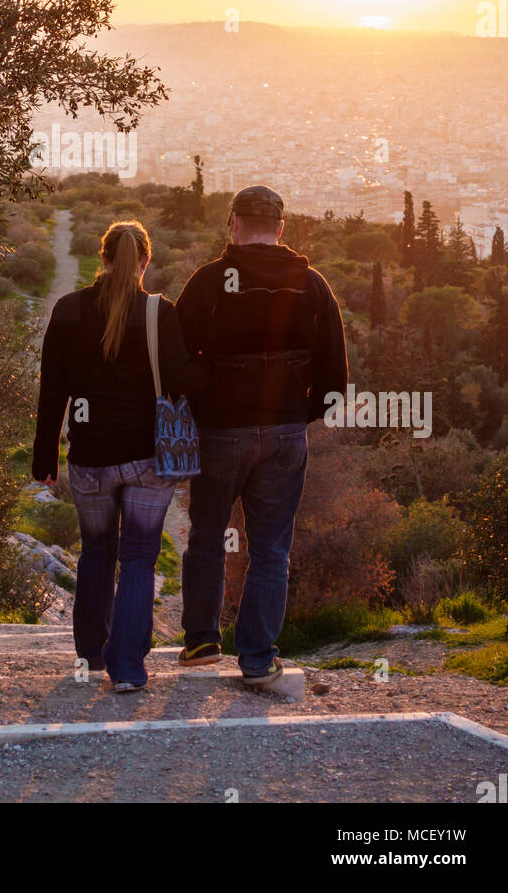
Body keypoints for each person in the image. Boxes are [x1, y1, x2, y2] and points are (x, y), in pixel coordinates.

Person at [175, 185, 348, 686]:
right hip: (285, 433)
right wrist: (299, 414)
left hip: (220, 433)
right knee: (271, 547)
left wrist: (207, 399)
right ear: (281, 227)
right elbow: (336, 376)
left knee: (207, 536)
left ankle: (203, 641)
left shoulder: (207, 282)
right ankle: (256, 659)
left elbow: (179, 364)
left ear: (233, 223)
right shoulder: (312, 284)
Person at [32, 219, 203, 692]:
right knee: (141, 557)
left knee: (96, 554)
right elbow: (185, 382)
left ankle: (90, 657)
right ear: (145, 262)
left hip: (89, 458)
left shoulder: (67, 311)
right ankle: (127, 668)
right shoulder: (158, 314)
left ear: (102, 258)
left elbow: (53, 394)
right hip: (147, 458)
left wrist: (45, 459)